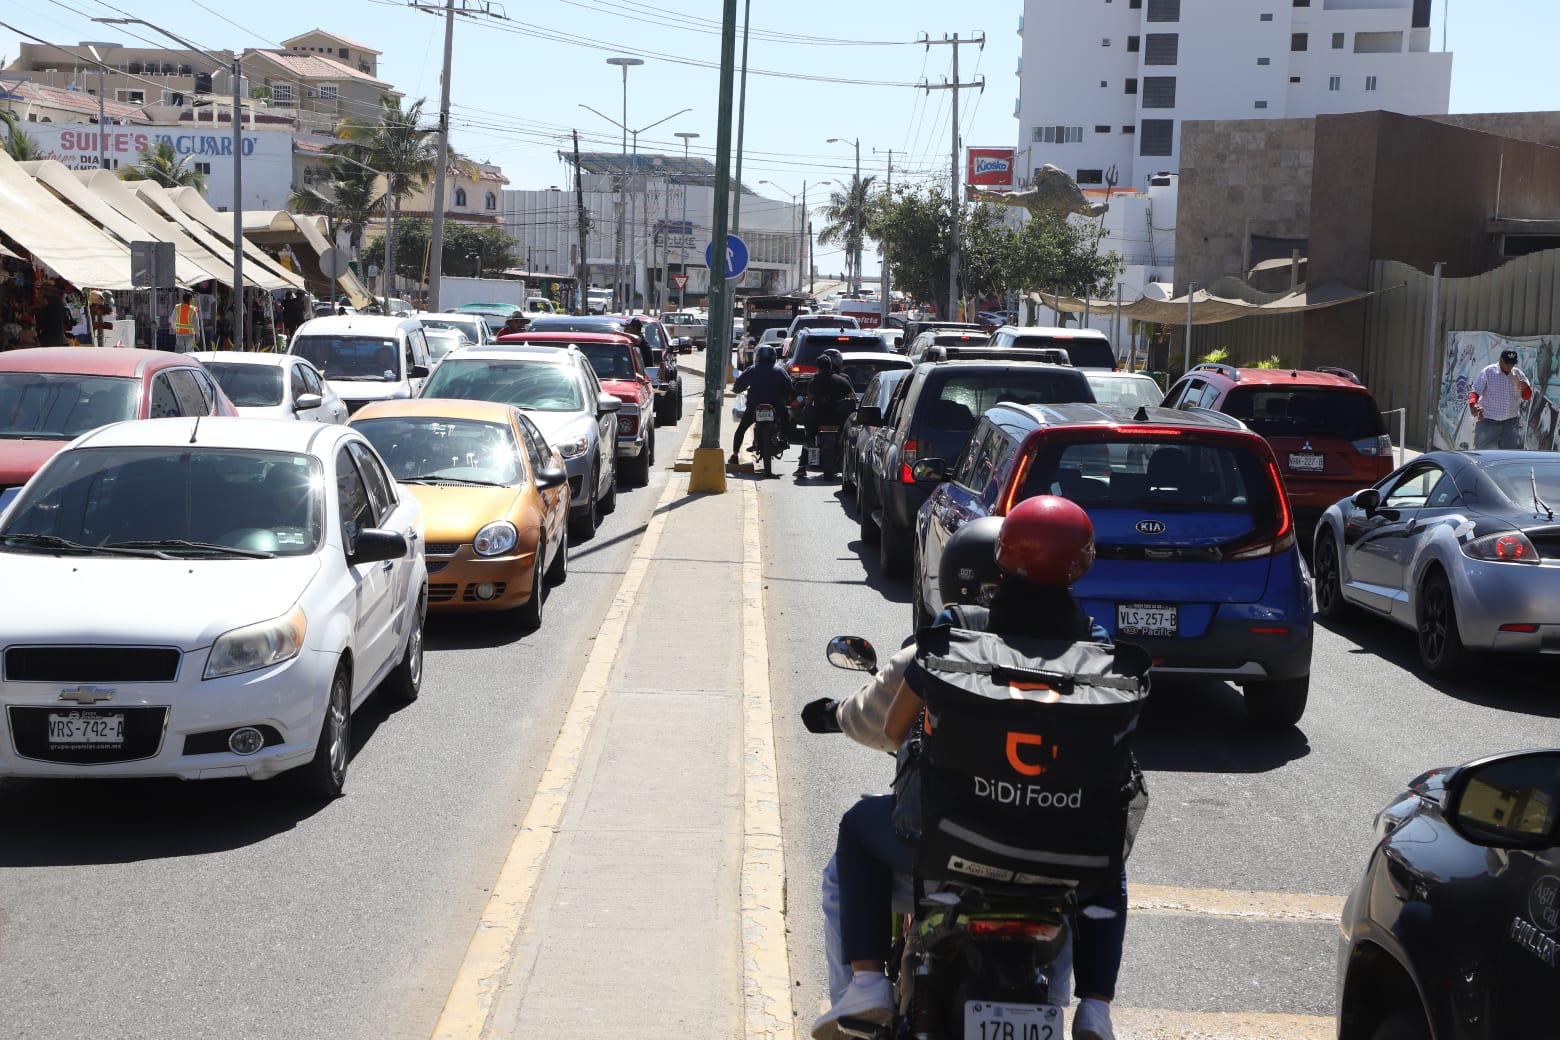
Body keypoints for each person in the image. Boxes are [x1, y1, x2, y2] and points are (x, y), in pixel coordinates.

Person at [808, 498, 1134, 1040]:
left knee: (855, 831)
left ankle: (865, 984)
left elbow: (892, 729)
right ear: (1083, 563)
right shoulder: (1098, 650)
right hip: (1062, 847)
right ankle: (1095, 1007)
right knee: (1109, 861)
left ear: (1002, 558)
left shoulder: (958, 632)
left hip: (954, 841)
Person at [730, 344, 794, 469]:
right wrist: (787, 398)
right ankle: (784, 439)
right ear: (773, 357)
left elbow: (738, 386)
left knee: (741, 429)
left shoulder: (752, 370)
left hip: (754, 406)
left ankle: (735, 455)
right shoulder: (780, 371)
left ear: (758, 357)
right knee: (786, 417)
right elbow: (789, 389)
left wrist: (736, 388)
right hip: (776, 406)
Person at [797, 348, 856, 477]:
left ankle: (802, 465)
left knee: (808, 437)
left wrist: (805, 406)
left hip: (819, 418)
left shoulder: (814, 381)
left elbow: (809, 401)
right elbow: (853, 399)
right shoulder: (843, 380)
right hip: (838, 419)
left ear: (818, 367)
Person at [1468, 348, 1534, 450]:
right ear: (1500, 360)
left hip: (1510, 424)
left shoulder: (1518, 374)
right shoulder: (1488, 372)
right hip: (1488, 423)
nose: (1509, 366)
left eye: (1512, 364)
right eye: (1507, 363)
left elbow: (1527, 396)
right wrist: (1473, 405)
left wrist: (1526, 387)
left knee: (1508, 457)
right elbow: (1475, 391)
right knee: (1484, 456)